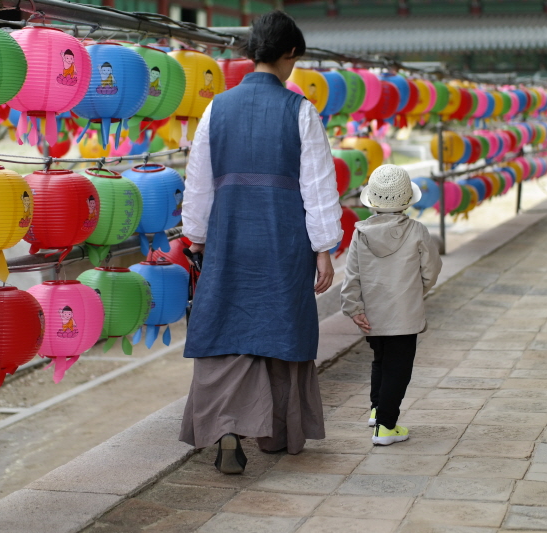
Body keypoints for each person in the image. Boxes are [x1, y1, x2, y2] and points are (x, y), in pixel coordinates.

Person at [179, 10, 342, 474]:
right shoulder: (301, 110)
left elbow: (199, 184)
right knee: (280, 328)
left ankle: (227, 429)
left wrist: (198, 237)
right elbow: (317, 184)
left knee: (226, 331)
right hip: (282, 237)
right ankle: (278, 431)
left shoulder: (217, 107)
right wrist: (324, 247)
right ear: (289, 53)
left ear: (253, 52)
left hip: (229, 235)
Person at [340, 164, 442, 445]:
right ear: (407, 200)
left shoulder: (360, 233)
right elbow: (431, 270)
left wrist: (355, 309)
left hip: (373, 314)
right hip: (404, 314)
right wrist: (416, 291)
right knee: (399, 368)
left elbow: (352, 276)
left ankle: (376, 409)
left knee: (381, 360)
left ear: (372, 200)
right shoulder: (417, 231)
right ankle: (386, 426)